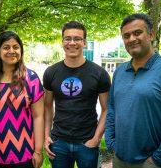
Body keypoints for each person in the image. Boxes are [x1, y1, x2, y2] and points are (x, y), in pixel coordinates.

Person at [105, 13, 161, 168]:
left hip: (152, 163)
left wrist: (159, 159)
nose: (131, 39)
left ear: (151, 35)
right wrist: (111, 143)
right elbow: (112, 109)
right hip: (119, 159)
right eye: (126, 35)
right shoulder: (119, 72)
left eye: (137, 33)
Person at [43, 21, 111, 168]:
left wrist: (96, 139)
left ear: (84, 43)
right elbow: (47, 106)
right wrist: (46, 136)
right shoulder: (51, 72)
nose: (72, 43)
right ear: (62, 42)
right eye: (67, 38)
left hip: (87, 142)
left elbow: (107, 108)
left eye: (77, 39)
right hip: (59, 142)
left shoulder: (99, 73)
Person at [0, 31, 44, 168]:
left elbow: (39, 117)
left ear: (21, 50)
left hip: (24, 155)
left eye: (16, 47)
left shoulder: (31, 79)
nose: (11, 51)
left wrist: (38, 151)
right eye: (6, 47)